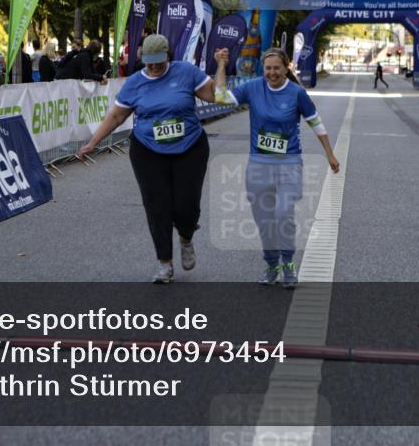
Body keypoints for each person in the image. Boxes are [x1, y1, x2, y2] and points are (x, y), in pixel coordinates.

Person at [78, 34, 216, 284]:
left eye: (158, 63)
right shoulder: (134, 83)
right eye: (148, 63)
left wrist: (223, 67)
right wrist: (92, 142)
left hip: (190, 148)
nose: (153, 67)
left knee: (186, 205)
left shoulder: (186, 72)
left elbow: (216, 96)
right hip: (147, 151)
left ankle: (186, 237)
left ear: (168, 57)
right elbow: (117, 117)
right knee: (157, 206)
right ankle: (165, 263)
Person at [213, 47, 340, 288]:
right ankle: (271, 264)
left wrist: (330, 154)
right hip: (259, 166)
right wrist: (220, 65)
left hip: (289, 164)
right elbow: (221, 98)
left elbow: (316, 123)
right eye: (268, 68)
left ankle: (288, 263)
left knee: (283, 214)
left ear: (285, 68)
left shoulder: (296, 93)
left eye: (276, 68)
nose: (272, 73)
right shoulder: (253, 87)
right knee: (264, 220)